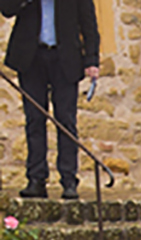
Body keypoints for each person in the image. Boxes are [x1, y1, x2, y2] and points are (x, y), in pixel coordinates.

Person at [0, 0, 98, 199]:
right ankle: (36, 179)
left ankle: (69, 180)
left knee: (66, 120)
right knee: (35, 119)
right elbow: (7, 9)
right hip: (32, 58)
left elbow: (89, 23)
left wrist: (92, 60)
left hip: (65, 59)